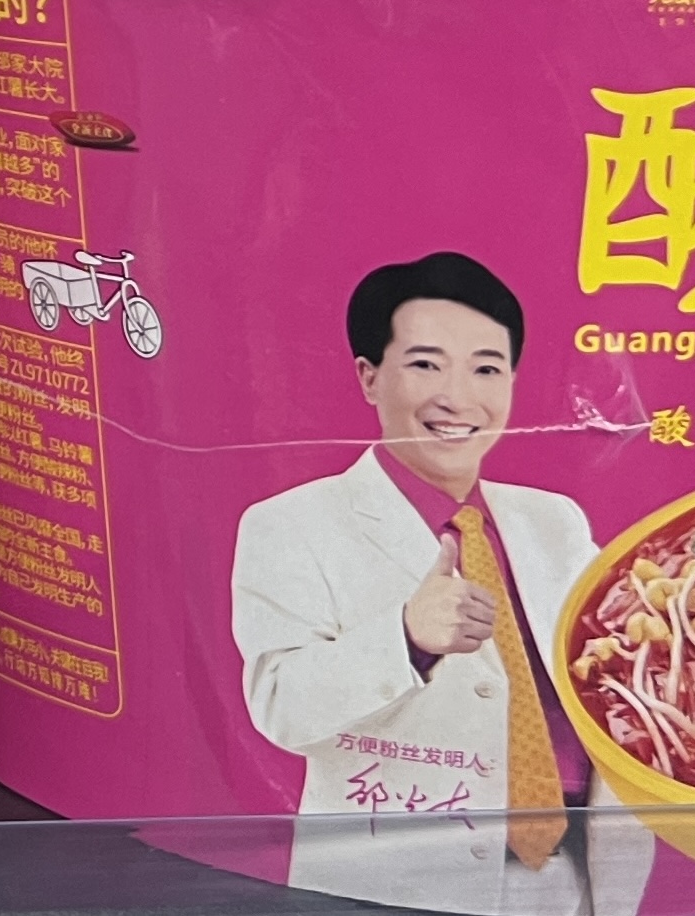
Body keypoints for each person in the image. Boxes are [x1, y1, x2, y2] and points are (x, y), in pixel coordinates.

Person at [231, 256, 648, 916]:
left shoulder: (553, 521)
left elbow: (612, 666)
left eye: (486, 369)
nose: (458, 397)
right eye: (426, 364)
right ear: (370, 377)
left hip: (573, 879)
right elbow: (279, 705)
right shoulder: (291, 523)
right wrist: (406, 637)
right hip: (395, 884)